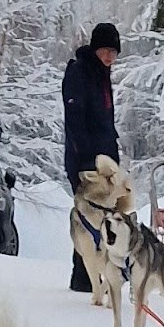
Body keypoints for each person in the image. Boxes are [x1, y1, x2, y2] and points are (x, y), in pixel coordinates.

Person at [62, 21, 122, 290]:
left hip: (105, 158)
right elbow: (75, 119)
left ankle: (96, 274)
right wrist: (86, 160)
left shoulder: (101, 75)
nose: (110, 57)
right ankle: (84, 277)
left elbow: (104, 120)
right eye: (105, 50)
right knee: (87, 215)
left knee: (105, 214)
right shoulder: (80, 72)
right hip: (86, 160)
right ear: (95, 49)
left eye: (114, 52)